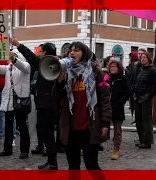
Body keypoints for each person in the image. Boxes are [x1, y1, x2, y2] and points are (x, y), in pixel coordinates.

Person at [52, 42, 111, 172]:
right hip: (71, 127)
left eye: (76, 50)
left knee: (91, 165)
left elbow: (105, 100)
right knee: (73, 166)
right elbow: (55, 97)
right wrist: (59, 82)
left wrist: (105, 123)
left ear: (84, 53)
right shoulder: (66, 72)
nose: (72, 53)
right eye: (70, 51)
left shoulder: (95, 72)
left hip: (89, 126)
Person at [11, 38, 59, 170]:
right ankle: (51, 161)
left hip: (46, 105)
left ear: (45, 53)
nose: (39, 54)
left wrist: (18, 45)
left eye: (41, 51)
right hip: (46, 104)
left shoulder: (48, 65)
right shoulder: (54, 64)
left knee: (47, 134)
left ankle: (53, 163)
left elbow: (31, 57)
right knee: (46, 133)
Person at [0, 49, 31, 159]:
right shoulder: (9, 68)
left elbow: (23, 66)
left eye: (14, 56)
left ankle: (24, 150)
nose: (11, 58)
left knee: (22, 125)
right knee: (8, 125)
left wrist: (14, 58)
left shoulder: (26, 66)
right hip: (9, 101)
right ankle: (7, 149)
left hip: (20, 99)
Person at [134, 52, 156, 149]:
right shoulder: (141, 69)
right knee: (138, 120)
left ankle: (147, 141)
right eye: (142, 57)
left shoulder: (153, 70)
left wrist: (149, 95)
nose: (142, 59)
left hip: (146, 98)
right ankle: (142, 140)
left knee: (146, 120)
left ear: (149, 59)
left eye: (144, 57)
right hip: (137, 97)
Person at [106, 60, 129, 160]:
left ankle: (116, 149)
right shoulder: (107, 78)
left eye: (114, 66)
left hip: (118, 108)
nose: (112, 68)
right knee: (101, 127)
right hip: (106, 107)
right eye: (111, 67)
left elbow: (127, 93)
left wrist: (120, 102)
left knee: (117, 130)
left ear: (119, 68)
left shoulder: (123, 79)